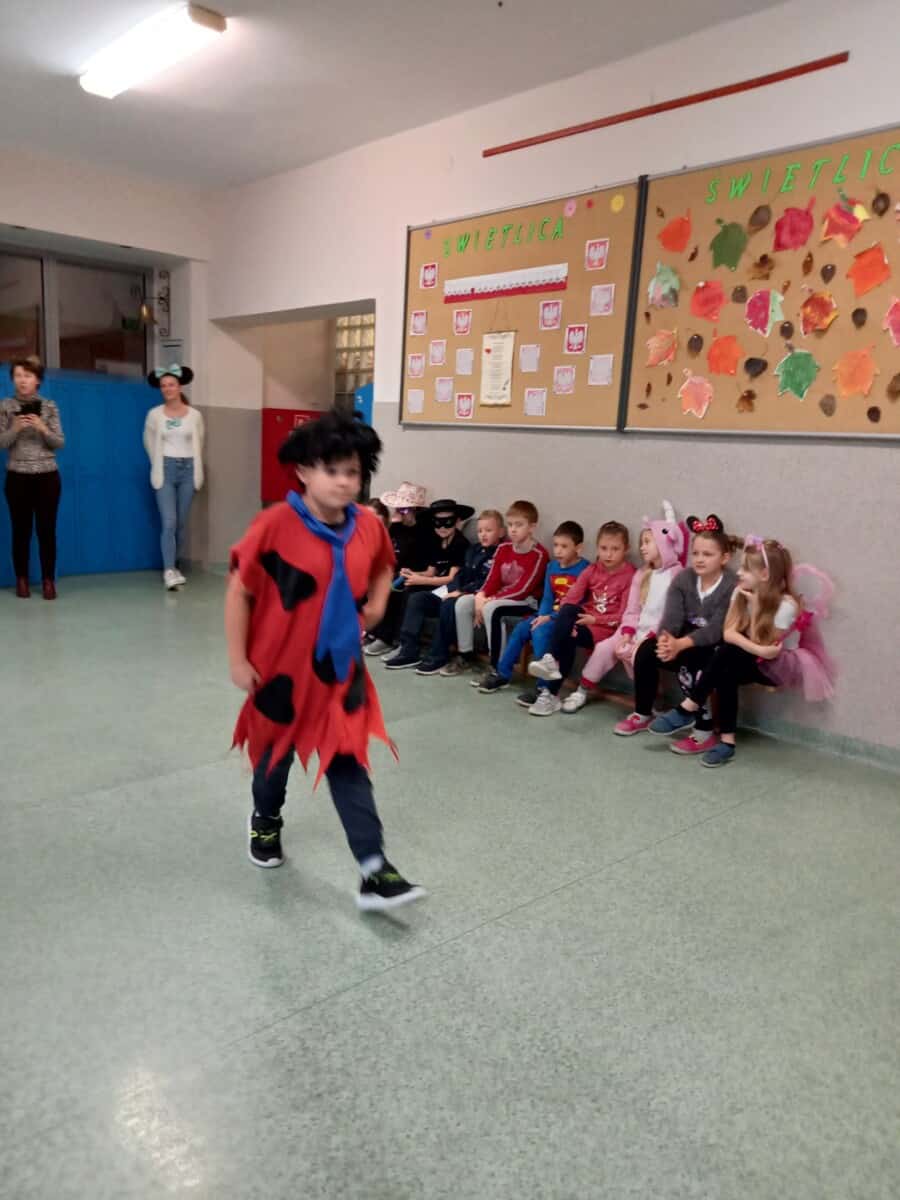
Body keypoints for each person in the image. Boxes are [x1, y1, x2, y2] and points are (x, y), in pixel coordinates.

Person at [225, 410, 424, 910]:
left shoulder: (368, 526)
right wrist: (237, 659)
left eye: (352, 472)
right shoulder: (275, 525)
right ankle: (265, 821)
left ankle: (374, 868)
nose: (343, 481)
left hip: (339, 674)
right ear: (303, 471)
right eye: (331, 470)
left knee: (348, 762)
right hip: (279, 673)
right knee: (274, 761)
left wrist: (377, 604)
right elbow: (239, 590)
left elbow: (383, 567)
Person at [649, 536, 807, 767]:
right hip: (749, 654)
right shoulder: (740, 591)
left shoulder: (786, 606)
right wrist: (754, 646)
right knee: (727, 664)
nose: (739, 572)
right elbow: (729, 633)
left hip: (774, 667)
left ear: (764, 575)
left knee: (728, 654)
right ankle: (726, 742)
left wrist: (755, 610)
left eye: (746, 569)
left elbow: (769, 649)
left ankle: (690, 706)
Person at [614, 513, 737, 738]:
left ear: (724, 557)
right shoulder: (684, 578)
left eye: (707, 554)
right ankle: (643, 712)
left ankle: (703, 725)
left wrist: (679, 644)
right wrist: (665, 640)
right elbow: (671, 617)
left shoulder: (730, 585)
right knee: (645, 650)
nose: (699, 559)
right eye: (696, 553)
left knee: (697, 658)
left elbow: (716, 629)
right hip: (682, 639)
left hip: (713, 645)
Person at [562, 503, 687, 713]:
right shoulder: (642, 574)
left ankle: (652, 697)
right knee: (605, 648)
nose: (642, 548)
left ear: (663, 543)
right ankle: (582, 690)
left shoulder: (677, 575)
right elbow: (631, 610)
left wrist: (650, 635)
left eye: (647, 542)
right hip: (633, 629)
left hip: (656, 634)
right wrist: (627, 632)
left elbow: (673, 613)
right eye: (642, 543)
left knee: (640, 655)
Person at [528, 521, 636, 716]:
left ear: (626, 549)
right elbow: (571, 598)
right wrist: (562, 615)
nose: (608, 554)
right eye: (604, 548)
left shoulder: (630, 575)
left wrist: (596, 620)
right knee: (568, 610)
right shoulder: (592, 570)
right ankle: (550, 661)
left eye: (615, 549)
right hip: (585, 621)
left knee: (568, 636)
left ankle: (551, 692)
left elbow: (625, 615)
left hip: (607, 628)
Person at [477, 521, 589, 697]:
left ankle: (543, 686)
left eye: (564, 546)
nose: (558, 551)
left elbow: (581, 602)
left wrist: (551, 617)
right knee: (522, 629)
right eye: (556, 545)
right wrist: (542, 615)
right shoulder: (552, 567)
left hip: (565, 619)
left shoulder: (585, 569)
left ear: (578, 548)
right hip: (546, 614)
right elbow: (547, 597)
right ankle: (502, 674)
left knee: (540, 632)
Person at [382, 499, 476, 669]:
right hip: (438, 589)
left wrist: (422, 580)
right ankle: (408, 649)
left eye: (447, 522)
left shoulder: (460, 544)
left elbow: (451, 578)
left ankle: (437, 655)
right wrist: (413, 574)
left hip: (453, 591)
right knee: (414, 596)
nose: (442, 527)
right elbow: (431, 572)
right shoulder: (437, 542)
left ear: (457, 522)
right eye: (438, 522)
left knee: (432, 600)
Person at [0, 355, 65, 599]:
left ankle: (48, 581)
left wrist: (42, 427)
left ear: (37, 380)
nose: (22, 380)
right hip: (17, 478)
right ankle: (22, 580)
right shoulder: (5, 405)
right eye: (18, 376)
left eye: (27, 376)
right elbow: (1, 442)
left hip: (47, 478)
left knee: (47, 531)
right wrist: (15, 428)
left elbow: (59, 442)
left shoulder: (49, 406)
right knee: (21, 531)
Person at [414, 508, 505, 676]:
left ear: (501, 532)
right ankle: (408, 649)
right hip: (456, 590)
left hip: (477, 594)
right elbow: (460, 574)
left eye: (488, 530)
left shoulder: (501, 553)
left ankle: (438, 657)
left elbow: (488, 581)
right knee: (418, 598)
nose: (483, 534)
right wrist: (454, 588)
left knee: (449, 604)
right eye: (480, 531)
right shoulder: (473, 550)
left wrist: (461, 591)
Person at [471, 500, 549, 686]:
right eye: (511, 524)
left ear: (532, 527)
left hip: (527, 602)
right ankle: (465, 655)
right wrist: (481, 595)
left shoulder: (539, 554)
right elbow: (493, 579)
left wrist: (490, 599)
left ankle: (498, 668)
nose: (513, 530)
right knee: (466, 603)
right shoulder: (503, 548)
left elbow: (523, 589)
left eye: (519, 525)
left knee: (493, 609)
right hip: (501, 597)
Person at [143, 364, 205, 591]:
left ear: (179, 386)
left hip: (188, 470)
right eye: (163, 386)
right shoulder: (154, 415)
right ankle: (168, 570)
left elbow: (199, 443)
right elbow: (148, 442)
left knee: (180, 524)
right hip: (165, 469)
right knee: (168, 522)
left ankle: (175, 564)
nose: (167, 389)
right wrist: (159, 465)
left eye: (171, 384)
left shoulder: (195, 415)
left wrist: (195, 469)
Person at [363, 481, 430, 654]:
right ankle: (372, 632)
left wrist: (412, 573)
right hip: (395, 571)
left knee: (392, 589)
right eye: (398, 509)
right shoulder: (396, 528)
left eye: (405, 509)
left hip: (414, 575)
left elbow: (425, 565)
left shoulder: (424, 532)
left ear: (415, 510)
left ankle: (387, 639)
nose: (400, 513)